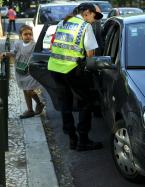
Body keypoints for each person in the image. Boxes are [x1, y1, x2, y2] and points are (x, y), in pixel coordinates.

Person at [48, 3, 103, 151]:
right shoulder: (85, 26)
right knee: (86, 103)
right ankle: (83, 140)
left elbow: (54, 45)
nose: (94, 19)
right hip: (73, 70)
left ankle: (72, 139)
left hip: (55, 68)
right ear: (86, 12)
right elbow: (90, 54)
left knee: (66, 105)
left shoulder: (63, 22)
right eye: (94, 15)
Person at [0, 25, 45, 118]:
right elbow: (14, 52)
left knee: (29, 90)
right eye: (25, 34)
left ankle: (39, 103)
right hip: (20, 69)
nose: (28, 36)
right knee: (25, 90)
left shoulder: (34, 45)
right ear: (21, 35)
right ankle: (30, 110)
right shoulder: (18, 44)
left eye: (30, 34)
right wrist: (6, 54)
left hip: (30, 71)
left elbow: (37, 56)